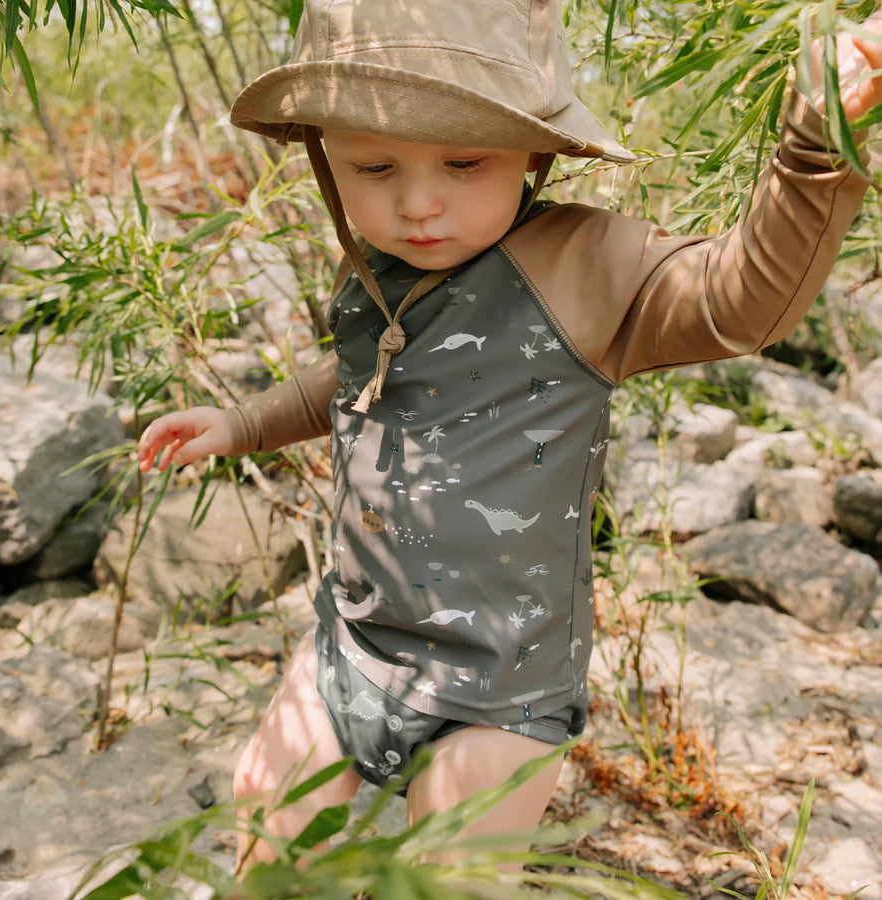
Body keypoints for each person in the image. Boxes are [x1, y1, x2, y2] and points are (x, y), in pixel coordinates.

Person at [137, 0, 882, 872]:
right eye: (372, 165)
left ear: (533, 150)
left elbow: (741, 300)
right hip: (356, 643)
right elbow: (361, 380)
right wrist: (243, 421)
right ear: (321, 153)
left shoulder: (585, 266)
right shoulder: (377, 265)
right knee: (266, 825)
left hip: (499, 685)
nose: (417, 203)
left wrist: (812, 147)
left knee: (449, 876)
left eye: (463, 160)